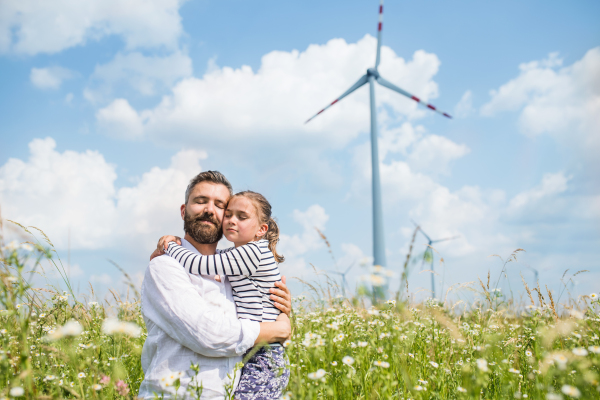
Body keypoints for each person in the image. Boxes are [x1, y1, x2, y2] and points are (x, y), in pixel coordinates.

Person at [138, 171, 292, 399]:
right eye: (200, 201)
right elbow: (207, 334)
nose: (209, 209)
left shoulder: (235, 271)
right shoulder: (165, 267)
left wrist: (284, 314)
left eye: (220, 205)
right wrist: (274, 330)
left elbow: (265, 309)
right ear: (184, 211)